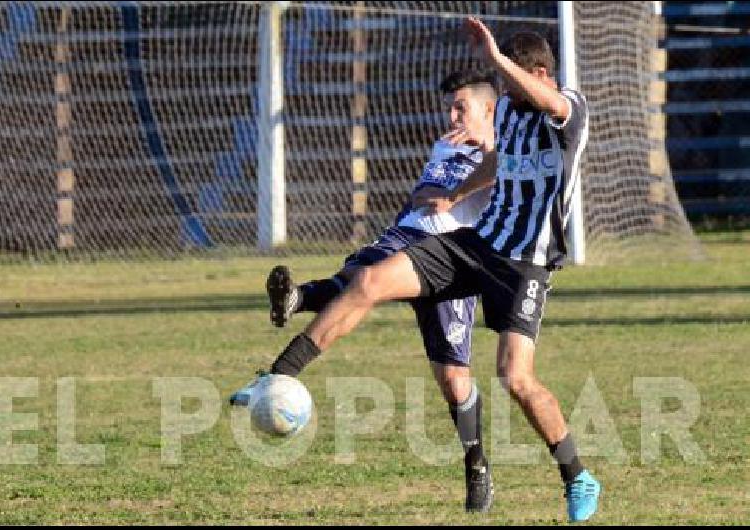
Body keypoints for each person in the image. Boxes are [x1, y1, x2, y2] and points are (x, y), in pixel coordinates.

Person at [233, 17, 601, 522]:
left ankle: (577, 475)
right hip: (476, 243)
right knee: (369, 280)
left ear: (539, 72)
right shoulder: (512, 114)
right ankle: (278, 376)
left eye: (513, 79)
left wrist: (496, 60)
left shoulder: (570, 109)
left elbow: (550, 103)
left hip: (524, 267)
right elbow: (500, 162)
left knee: (515, 379)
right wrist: (457, 190)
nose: (506, 92)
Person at [252, 69, 497, 512]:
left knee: (453, 381)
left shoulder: (504, 151)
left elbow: (491, 184)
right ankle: (292, 320)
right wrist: (437, 192)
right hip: (407, 237)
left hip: (452, 260)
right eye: (450, 106)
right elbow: (424, 192)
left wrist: (460, 188)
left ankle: (476, 463)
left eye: (461, 107)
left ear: (489, 110)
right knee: (356, 281)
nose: (452, 114)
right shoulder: (447, 143)